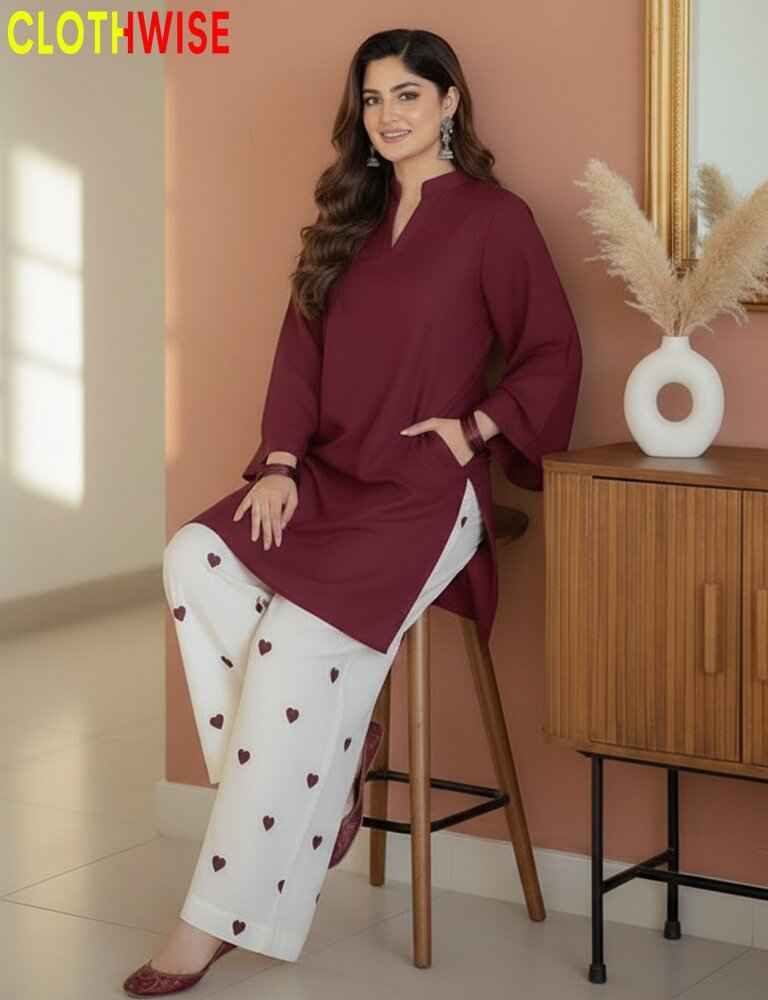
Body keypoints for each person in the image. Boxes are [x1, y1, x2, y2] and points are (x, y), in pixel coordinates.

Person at [122, 26, 582, 997]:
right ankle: (327, 783)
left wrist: (477, 427)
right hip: (332, 476)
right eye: (373, 98)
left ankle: (208, 923)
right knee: (195, 556)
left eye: (409, 94)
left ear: (449, 101)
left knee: (294, 648)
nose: (388, 114)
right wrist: (280, 463)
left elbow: (553, 349)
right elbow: (299, 352)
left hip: (424, 493)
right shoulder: (347, 218)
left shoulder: (495, 220)